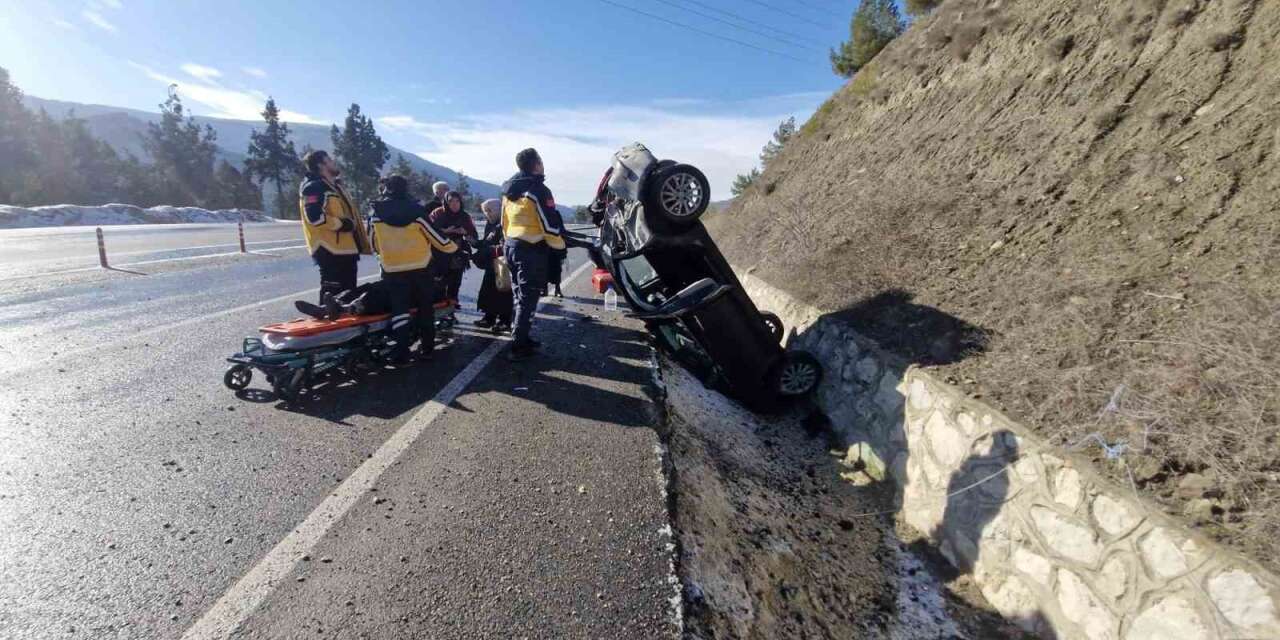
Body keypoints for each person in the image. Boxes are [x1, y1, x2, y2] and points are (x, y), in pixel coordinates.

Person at [369, 175, 457, 364]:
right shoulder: (416, 210)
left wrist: (384, 255)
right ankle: (427, 348)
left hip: (392, 268)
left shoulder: (376, 212)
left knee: (399, 309)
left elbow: (372, 242)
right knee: (425, 307)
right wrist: (453, 248)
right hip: (420, 267)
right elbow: (437, 238)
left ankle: (401, 351)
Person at [501, 147, 565, 360]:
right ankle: (518, 346)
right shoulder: (538, 190)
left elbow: (505, 221)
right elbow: (549, 226)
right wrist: (560, 244)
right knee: (528, 298)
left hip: (511, 244)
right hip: (530, 249)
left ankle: (521, 336)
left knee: (519, 295)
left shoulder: (510, 189)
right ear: (536, 164)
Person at [299, 150, 370, 304]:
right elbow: (314, 217)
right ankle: (326, 322)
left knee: (348, 294)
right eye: (329, 160)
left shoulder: (335, 187)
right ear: (321, 165)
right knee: (331, 294)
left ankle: (346, 323)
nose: (333, 162)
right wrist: (342, 224)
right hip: (329, 249)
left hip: (346, 249)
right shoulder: (314, 187)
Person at [428, 191, 478, 310]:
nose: (454, 204)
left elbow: (473, 235)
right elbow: (428, 230)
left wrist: (464, 232)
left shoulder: (465, 216)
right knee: (438, 281)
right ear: (446, 202)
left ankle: (452, 305)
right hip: (438, 253)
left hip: (457, 252)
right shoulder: (437, 213)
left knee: (455, 281)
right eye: (451, 201)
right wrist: (446, 231)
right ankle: (438, 306)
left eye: (457, 201)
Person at [473, 198, 513, 332]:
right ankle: (488, 318)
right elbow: (486, 241)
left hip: (502, 264)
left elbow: (506, 245)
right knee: (488, 292)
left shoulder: (505, 223)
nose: (487, 214)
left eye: (490, 210)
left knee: (503, 293)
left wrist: (489, 249)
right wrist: (474, 242)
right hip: (491, 264)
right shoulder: (490, 224)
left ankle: (505, 321)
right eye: (485, 211)